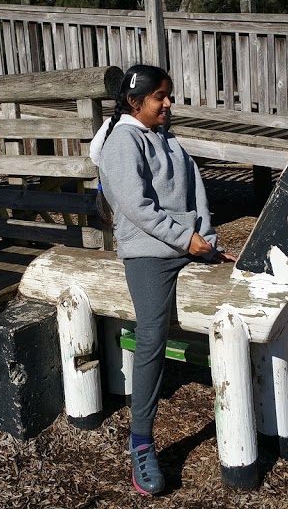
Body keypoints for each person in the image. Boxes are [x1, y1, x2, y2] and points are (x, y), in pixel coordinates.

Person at [89, 64, 235, 496]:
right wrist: (183, 240)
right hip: (149, 254)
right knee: (152, 333)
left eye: (169, 96)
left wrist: (205, 241)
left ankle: (276, 345)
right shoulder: (122, 141)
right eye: (161, 98)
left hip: (187, 245)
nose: (169, 104)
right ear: (137, 102)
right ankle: (141, 440)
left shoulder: (169, 139)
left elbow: (197, 194)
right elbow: (137, 207)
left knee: (241, 285)